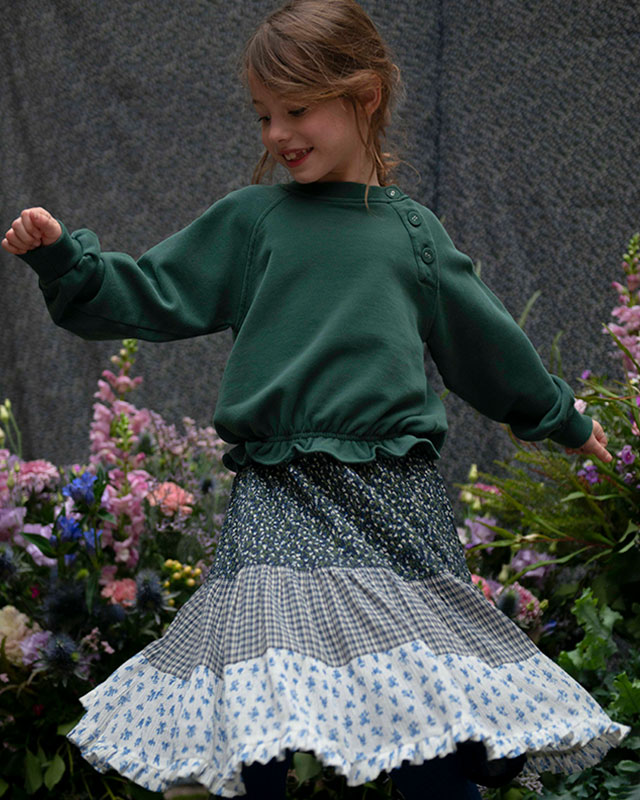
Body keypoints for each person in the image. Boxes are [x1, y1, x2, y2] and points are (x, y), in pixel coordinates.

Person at [2, 1, 628, 798]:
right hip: (281, 491)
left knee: (422, 708)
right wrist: (66, 262)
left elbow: (489, 348)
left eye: (296, 111)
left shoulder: (412, 235)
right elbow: (151, 290)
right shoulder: (252, 222)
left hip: (393, 502)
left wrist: (564, 421)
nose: (277, 134)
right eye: (264, 115)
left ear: (365, 96)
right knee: (263, 679)